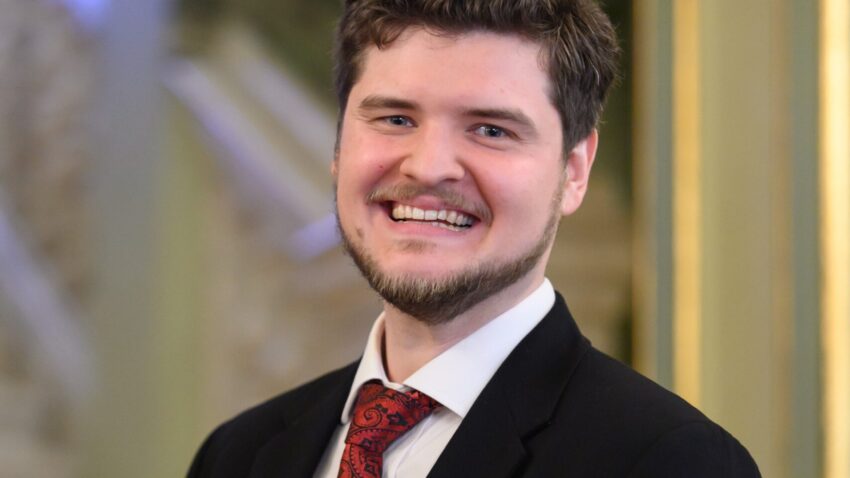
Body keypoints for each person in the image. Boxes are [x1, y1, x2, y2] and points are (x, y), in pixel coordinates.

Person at [188, 0, 761, 476]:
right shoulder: (238, 456)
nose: (429, 167)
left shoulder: (671, 462)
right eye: (395, 119)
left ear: (575, 171)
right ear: (340, 148)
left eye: (490, 129)